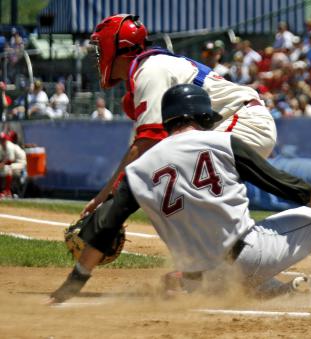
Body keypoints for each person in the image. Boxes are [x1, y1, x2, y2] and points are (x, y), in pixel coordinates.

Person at [48, 84, 311, 303]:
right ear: (201, 116)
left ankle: (290, 290)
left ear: (168, 122)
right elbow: (284, 185)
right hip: (247, 256)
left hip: (200, 281)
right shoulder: (221, 141)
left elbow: (103, 226)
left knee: (246, 287)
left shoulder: (137, 169)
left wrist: (76, 281)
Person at [77, 14, 277, 285]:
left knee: (177, 181)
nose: (98, 55)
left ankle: (207, 268)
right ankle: (238, 276)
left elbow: (145, 145)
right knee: (168, 184)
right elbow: (145, 151)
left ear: (120, 46)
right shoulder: (147, 70)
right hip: (236, 123)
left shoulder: (150, 69)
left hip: (243, 121)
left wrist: (106, 199)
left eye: (102, 47)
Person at [0, 132, 26, 198]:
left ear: (6, 139)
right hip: (14, 163)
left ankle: (7, 191)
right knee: (4, 169)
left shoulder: (9, 146)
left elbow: (10, 160)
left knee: (8, 168)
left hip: (21, 163)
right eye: (1, 139)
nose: (2, 141)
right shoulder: (1, 147)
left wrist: (2, 164)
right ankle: (2, 191)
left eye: (3, 139)